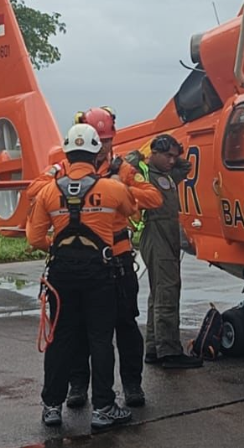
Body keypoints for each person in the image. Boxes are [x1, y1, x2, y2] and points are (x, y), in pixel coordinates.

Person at [26, 107, 162, 409]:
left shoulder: (121, 169)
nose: (104, 146)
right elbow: (33, 190)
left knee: (124, 324)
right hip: (86, 264)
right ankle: (78, 386)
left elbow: (152, 196)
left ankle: (131, 385)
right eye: (99, 141)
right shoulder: (61, 169)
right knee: (79, 330)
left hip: (118, 259)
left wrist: (118, 188)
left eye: (108, 140)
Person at [126, 134, 199, 369]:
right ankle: (169, 351)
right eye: (166, 155)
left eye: (173, 156)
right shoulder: (145, 175)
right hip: (156, 233)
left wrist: (176, 153)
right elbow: (128, 165)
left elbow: (186, 167)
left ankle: (154, 348)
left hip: (167, 235)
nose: (171, 160)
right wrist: (143, 152)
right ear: (154, 153)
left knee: (158, 293)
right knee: (167, 291)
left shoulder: (166, 175)